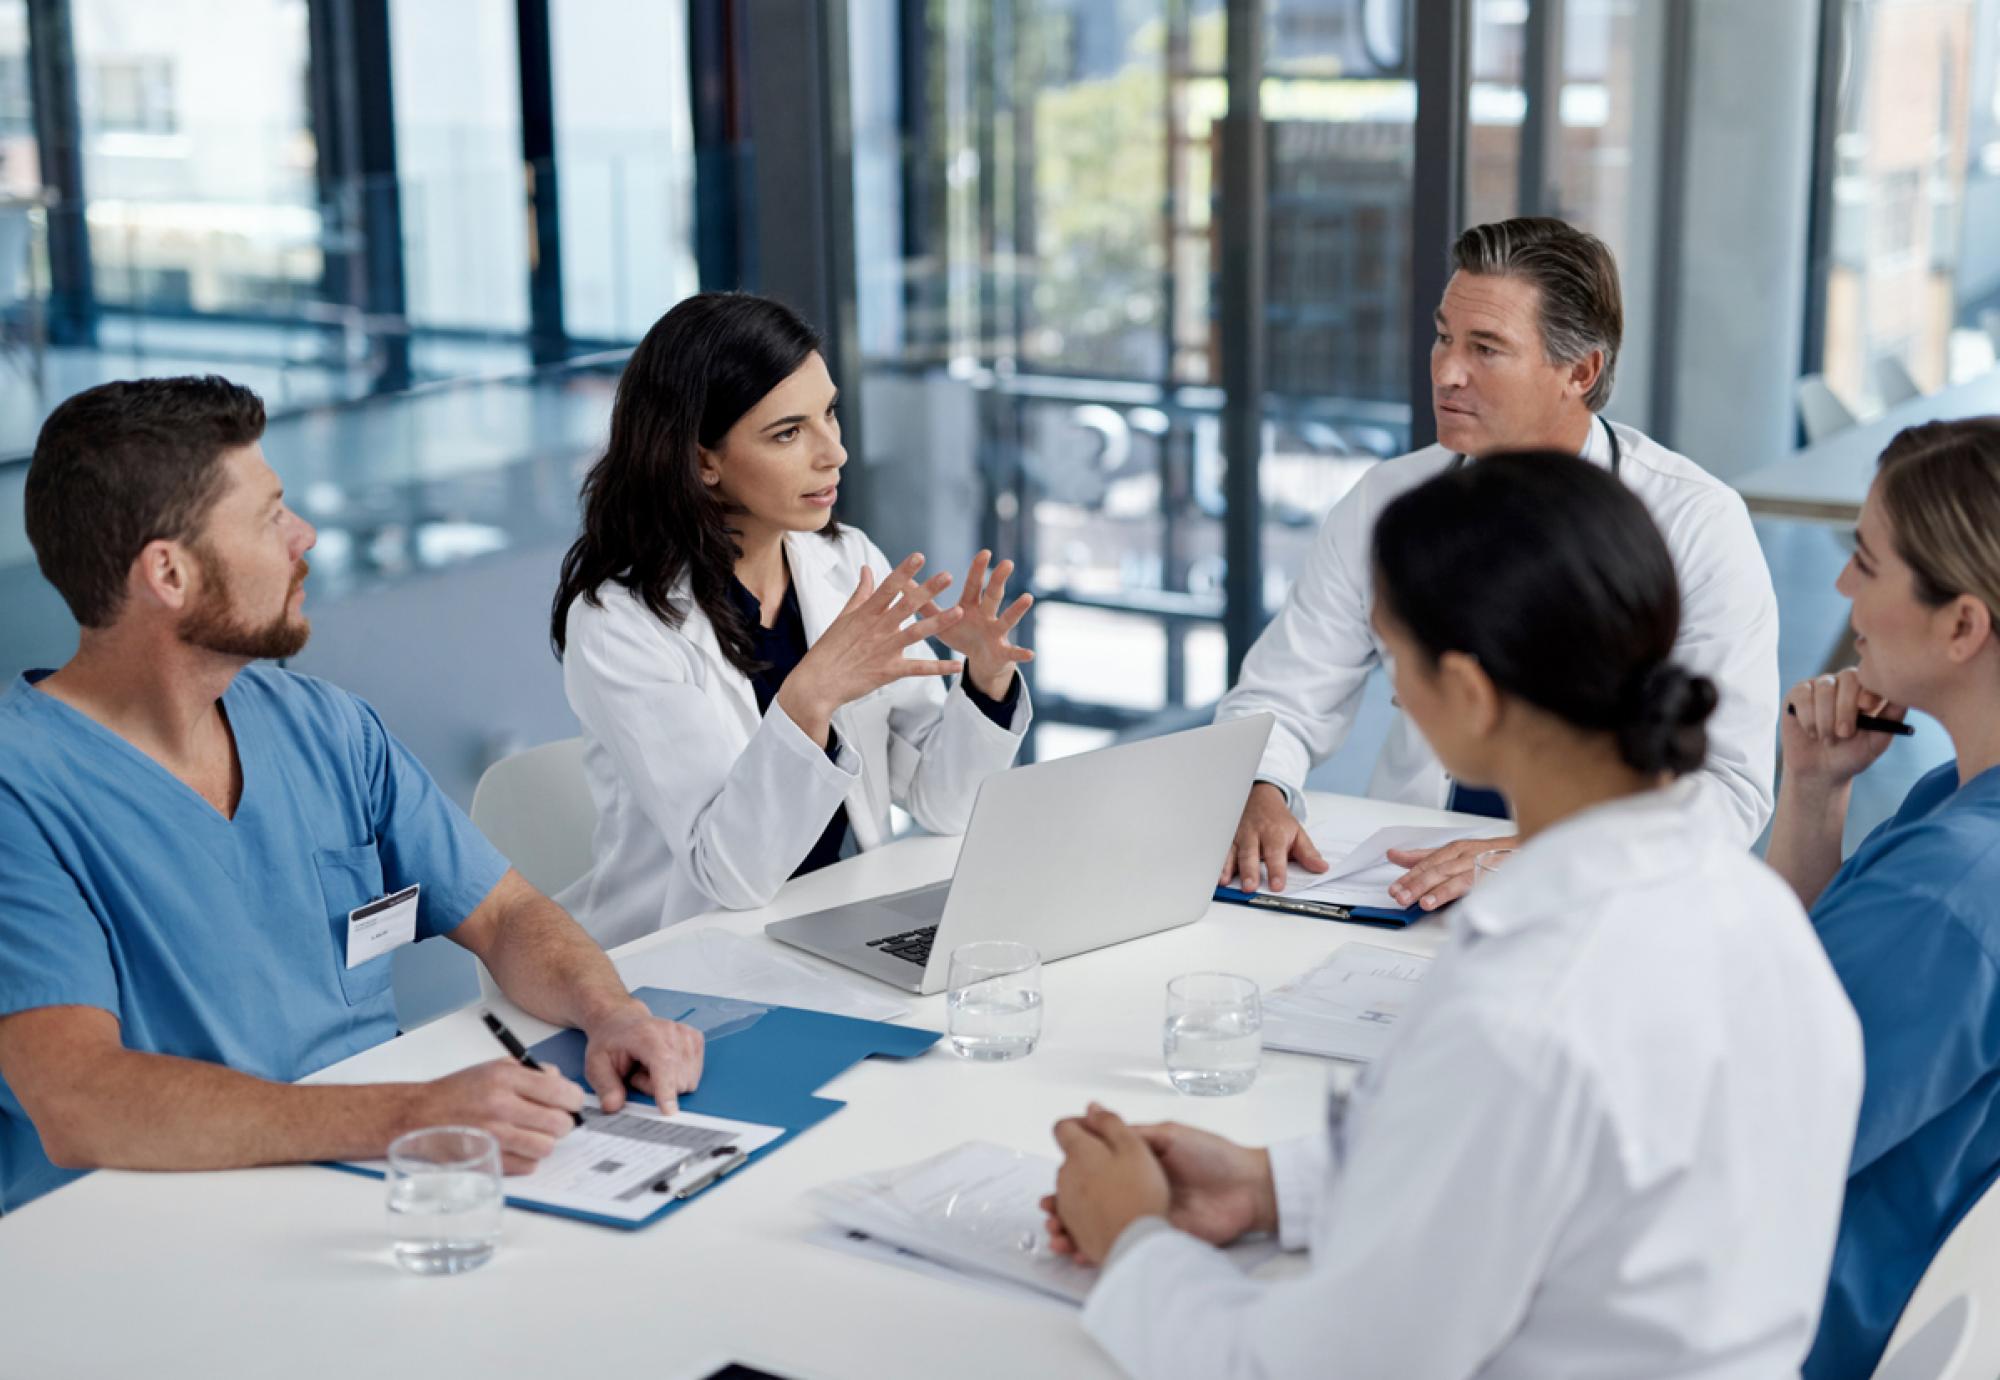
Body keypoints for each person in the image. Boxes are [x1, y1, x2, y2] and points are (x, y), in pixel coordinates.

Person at [1043, 453, 1860, 1378]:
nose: (1394, 688)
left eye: (1398, 654)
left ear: (1471, 696)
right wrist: (1277, 1187)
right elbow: (1561, 1189)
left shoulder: (1528, 1009)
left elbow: (1319, 1367)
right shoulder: (1755, 913)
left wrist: (1134, 1243)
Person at [0, 377, 704, 1214]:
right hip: (150, 1230)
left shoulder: (327, 729)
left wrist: (610, 1011)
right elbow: (80, 1100)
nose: (305, 536)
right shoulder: (22, 789)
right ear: (169, 572)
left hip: (376, 1184)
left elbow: (508, 915)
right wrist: (410, 1114)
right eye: (270, 517)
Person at [1216, 216, 1778, 912]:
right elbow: (1282, 695)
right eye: (1444, 337)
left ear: (1580, 371)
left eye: (1486, 348)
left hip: (1600, 892)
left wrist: (1540, 851)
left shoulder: (1696, 522)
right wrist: (1258, 789)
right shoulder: (1387, 500)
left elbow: (1730, 785)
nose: (1448, 373)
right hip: (1397, 882)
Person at [551, 293, 1033, 947]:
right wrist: (812, 694)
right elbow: (730, 874)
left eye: (828, 414)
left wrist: (985, 679)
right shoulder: (620, 625)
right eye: (788, 432)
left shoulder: (846, 559)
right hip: (689, 952)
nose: (832, 452)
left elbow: (940, 802)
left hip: (841, 918)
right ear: (702, 461)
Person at [1763, 419, 2000, 1379]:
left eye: (1866, 562)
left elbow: (1731, 1127)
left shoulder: (1947, 892)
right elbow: (1789, 997)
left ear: (1962, 624)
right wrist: (1815, 795)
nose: (1841, 594)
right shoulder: (1960, 805)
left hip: (1772, 1325)